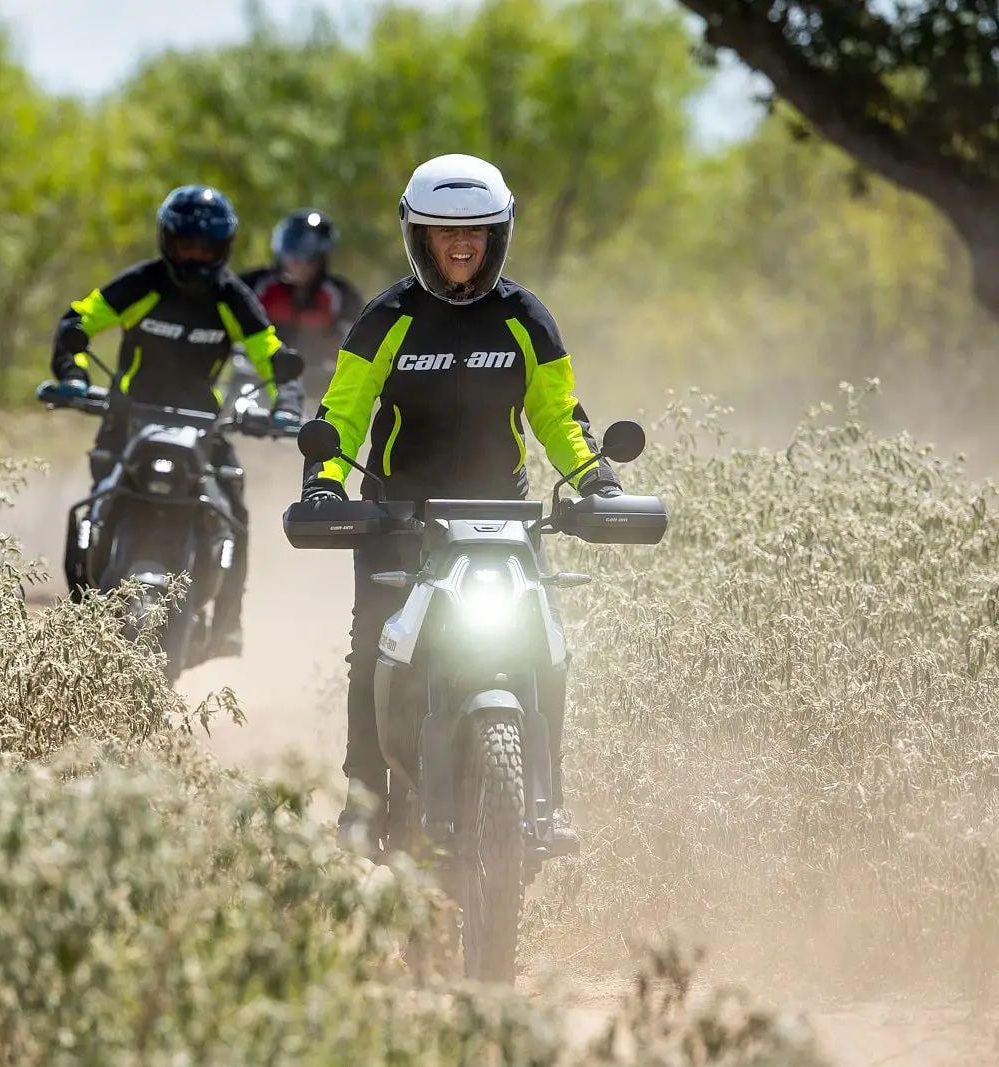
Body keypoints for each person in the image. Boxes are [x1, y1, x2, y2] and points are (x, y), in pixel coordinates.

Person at [300, 154, 621, 854]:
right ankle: (363, 803)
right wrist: (323, 482)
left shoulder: (525, 319)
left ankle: (548, 797)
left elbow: (560, 414)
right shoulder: (385, 318)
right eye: (446, 233)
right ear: (419, 236)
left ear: (499, 234)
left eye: (476, 231)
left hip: (502, 522)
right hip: (396, 521)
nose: (463, 245)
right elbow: (343, 414)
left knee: (547, 646)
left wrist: (596, 478)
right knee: (370, 650)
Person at [51, 183, 304, 658]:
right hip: (127, 420)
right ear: (167, 242)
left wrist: (286, 406)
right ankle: (82, 613)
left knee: (236, 513)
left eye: (206, 247)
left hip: (204, 428)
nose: (195, 257)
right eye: (186, 244)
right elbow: (79, 324)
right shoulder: (142, 284)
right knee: (93, 508)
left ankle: (227, 624)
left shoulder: (233, 298)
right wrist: (73, 375)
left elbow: (272, 356)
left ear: (224, 248)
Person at [239, 209, 363, 395]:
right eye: (292, 258)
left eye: (308, 259)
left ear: (322, 260)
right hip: (255, 378)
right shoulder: (253, 285)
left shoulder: (342, 296)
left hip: (315, 387)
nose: (298, 266)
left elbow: (356, 348)